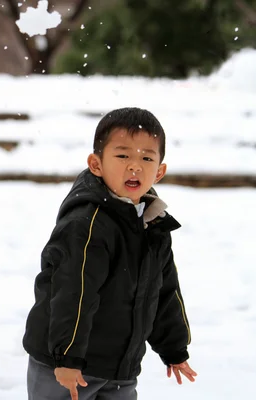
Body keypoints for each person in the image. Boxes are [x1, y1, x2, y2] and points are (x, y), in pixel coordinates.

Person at [22, 107, 197, 400]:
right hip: (65, 368)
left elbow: (164, 292)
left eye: (146, 158)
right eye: (122, 155)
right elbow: (73, 292)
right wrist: (66, 357)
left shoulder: (153, 225)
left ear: (160, 171)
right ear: (96, 164)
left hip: (119, 369)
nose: (135, 166)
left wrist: (174, 348)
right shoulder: (86, 225)